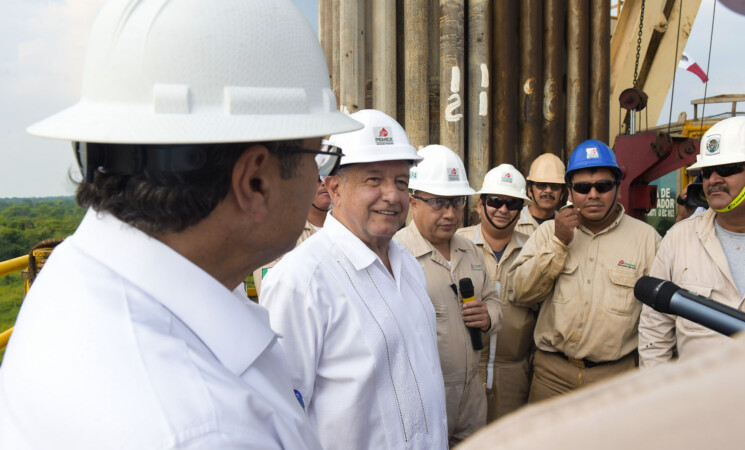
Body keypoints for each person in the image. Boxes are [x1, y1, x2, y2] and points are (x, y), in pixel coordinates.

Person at [0, 0, 361, 448]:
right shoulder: (204, 429)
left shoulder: (77, 274)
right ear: (254, 181)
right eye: (318, 155)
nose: (319, 177)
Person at [259, 109, 448, 450]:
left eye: (401, 182)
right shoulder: (302, 280)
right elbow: (278, 418)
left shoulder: (408, 265)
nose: (392, 195)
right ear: (334, 188)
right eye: (373, 180)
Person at [510, 139, 660, 403]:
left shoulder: (647, 240)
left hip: (615, 379)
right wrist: (558, 243)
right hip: (551, 377)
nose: (593, 194)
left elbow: (659, 320)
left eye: (603, 186)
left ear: (618, 189)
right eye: (582, 187)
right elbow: (520, 291)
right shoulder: (549, 232)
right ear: (570, 192)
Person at [394, 145, 501, 445]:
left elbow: (493, 300)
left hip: (472, 393)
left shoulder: (469, 250)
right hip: (425, 396)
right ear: (413, 203)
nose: (450, 214)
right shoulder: (396, 255)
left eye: (456, 202)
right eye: (439, 203)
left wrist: (488, 316)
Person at [639, 117, 745, 367]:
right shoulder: (679, 238)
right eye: (706, 172)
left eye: (728, 168)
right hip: (698, 401)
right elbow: (654, 330)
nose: (714, 180)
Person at [456, 164, 537, 421]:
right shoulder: (458, 243)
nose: (503, 209)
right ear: (480, 205)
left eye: (512, 204)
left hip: (514, 371)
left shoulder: (534, 249)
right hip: (465, 368)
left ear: (521, 209)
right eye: (496, 201)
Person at [253, 177, 331, 295]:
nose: (324, 183)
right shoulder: (277, 237)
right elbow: (271, 294)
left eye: (329, 176)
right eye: (317, 178)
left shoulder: (348, 231)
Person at [516, 153, 568, 235]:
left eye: (555, 186)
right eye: (541, 185)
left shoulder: (567, 226)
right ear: (529, 190)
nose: (548, 190)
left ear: (562, 194)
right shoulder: (513, 222)